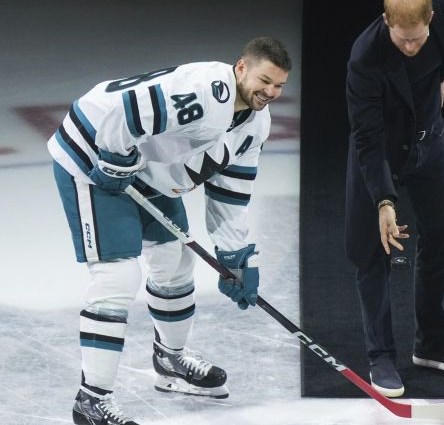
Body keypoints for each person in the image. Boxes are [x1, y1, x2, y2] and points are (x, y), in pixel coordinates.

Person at [48, 36, 291, 425]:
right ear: (241, 67)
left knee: (176, 262)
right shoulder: (205, 91)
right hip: (94, 156)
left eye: (279, 85)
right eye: (265, 80)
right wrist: (112, 160)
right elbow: (130, 111)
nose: (271, 92)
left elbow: (231, 191)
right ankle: (90, 400)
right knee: (117, 276)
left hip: (143, 167)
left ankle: (170, 359)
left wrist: (235, 257)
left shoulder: (255, 125)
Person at [344, 0, 444, 398]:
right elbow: (367, 139)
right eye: (402, 39)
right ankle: (380, 355)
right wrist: (384, 201)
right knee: (373, 253)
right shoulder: (364, 58)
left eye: (418, 38)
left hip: (430, 141)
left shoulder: (441, 7)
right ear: (387, 22)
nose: (410, 46)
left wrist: (442, 74)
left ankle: (431, 344)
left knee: (440, 238)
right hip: (381, 151)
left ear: (431, 21)